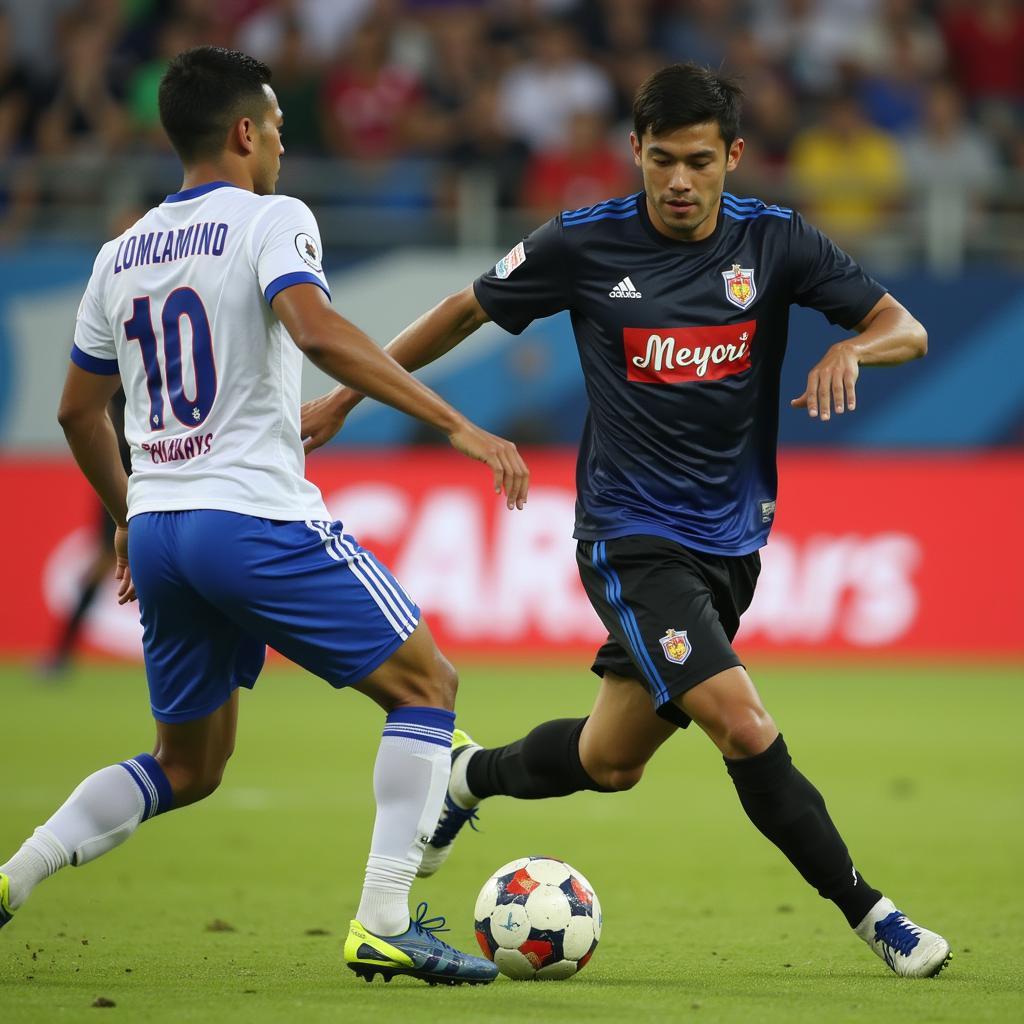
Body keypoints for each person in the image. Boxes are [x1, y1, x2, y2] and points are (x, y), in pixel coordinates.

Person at [299, 62, 951, 980]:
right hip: (630, 540)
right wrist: (340, 402)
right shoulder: (582, 244)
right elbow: (461, 313)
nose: (678, 182)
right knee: (746, 725)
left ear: (732, 156)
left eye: (696, 161)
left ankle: (465, 777)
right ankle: (874, 915)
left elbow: (907, 327)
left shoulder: (776, 243)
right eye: (658, 161)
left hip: (734, 546)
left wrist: (854, 345)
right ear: (634, 155)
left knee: (610, 761)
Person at [0, 46, 533, 987]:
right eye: (280, 127)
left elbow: (77, 412)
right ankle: (384, 919)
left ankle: (14, 876)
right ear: (246, 131)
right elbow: (317, 327)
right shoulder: (273, 217)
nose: (284, 146)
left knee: (189, 764)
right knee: (428, 687)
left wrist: (129, 513)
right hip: (251, 515)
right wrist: (454, 423)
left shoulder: (117, 253)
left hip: (163, 529)